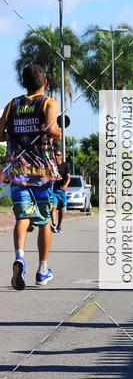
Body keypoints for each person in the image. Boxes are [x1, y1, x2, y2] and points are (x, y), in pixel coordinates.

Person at [0, 63, 61, 288]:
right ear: (44, 83)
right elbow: (52, 128)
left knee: (22, 218)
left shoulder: (12, 105)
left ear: (23, 83)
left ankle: (20, 257)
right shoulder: (48, 103)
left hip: (18, 171)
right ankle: (42, 270)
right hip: (42, 173)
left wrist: (17, 132)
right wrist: (57, 132)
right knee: (44, 221)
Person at [51, 149, 70, 234]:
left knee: (62, 208)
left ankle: (59, 225)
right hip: (53, 190)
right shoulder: (52, 165)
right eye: (56, 155)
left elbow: (69, 177)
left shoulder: (66, 165)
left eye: (59, 155)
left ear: (61, 156)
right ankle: (54, 225)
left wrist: (66, 185)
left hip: (62, 190)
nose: (57, 156)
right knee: (54, 207)